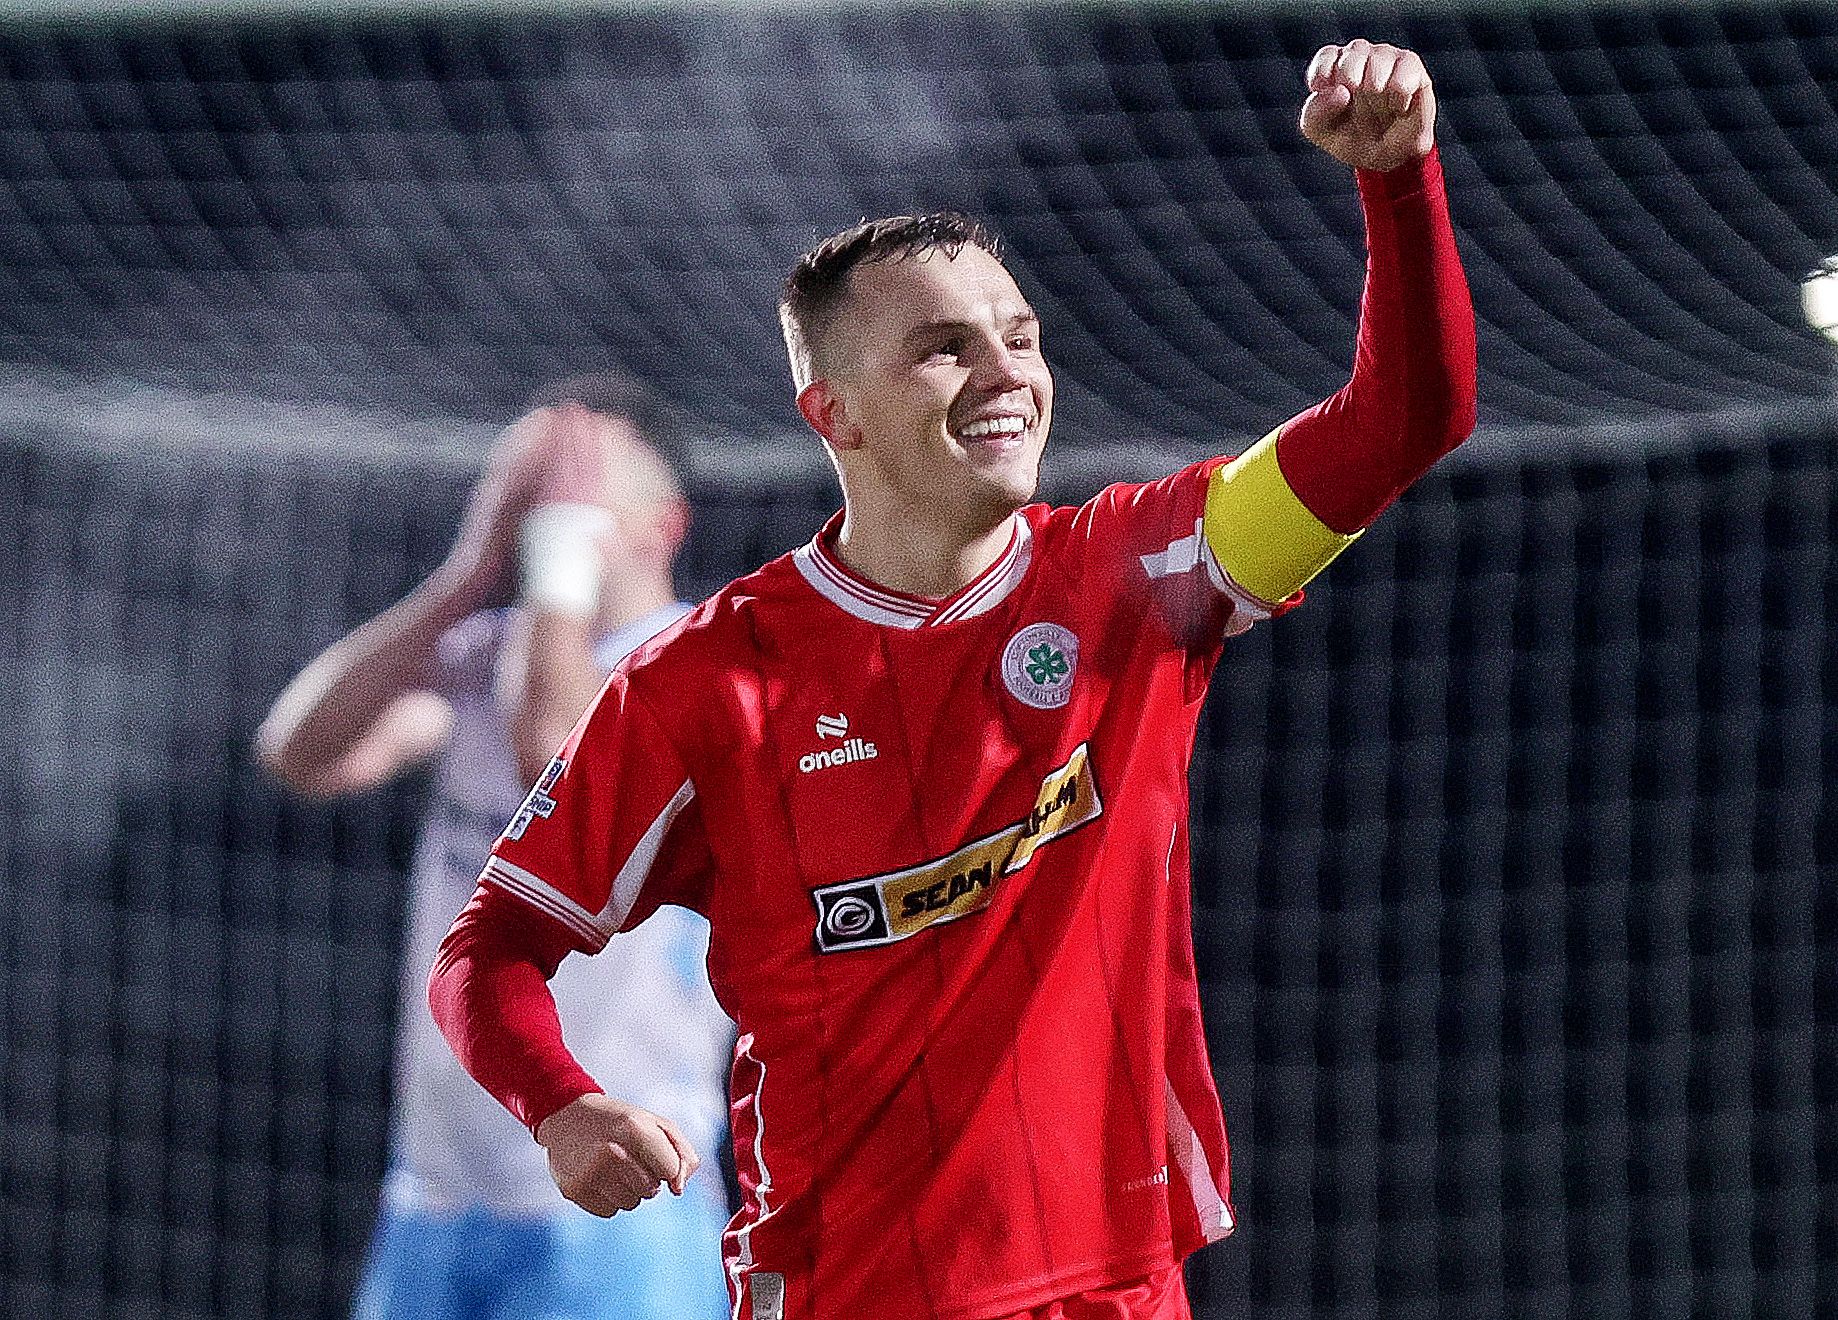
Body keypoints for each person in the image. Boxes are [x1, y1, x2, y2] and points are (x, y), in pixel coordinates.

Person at [429, 40, 1476, 1320]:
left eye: (1018, 337)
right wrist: (560, 1105)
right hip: (855, 1291)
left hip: (1113, 1286)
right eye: (943, 348)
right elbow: (489, 950)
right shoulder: (708, 681)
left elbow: (1405, 418)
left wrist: (1399, 181)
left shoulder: (1139, 570)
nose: (1006, 374)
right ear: (834, 414)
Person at [255, 377, 733, 1320]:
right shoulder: (490, 653)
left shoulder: (700, 665)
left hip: (618, 1205)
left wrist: (554, 556)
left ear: (662, 525)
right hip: (438, 1194)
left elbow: (552, 755)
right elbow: (301, 752)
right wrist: (466, 574)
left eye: (580, 485)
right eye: (530, 487)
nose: (546, 506)